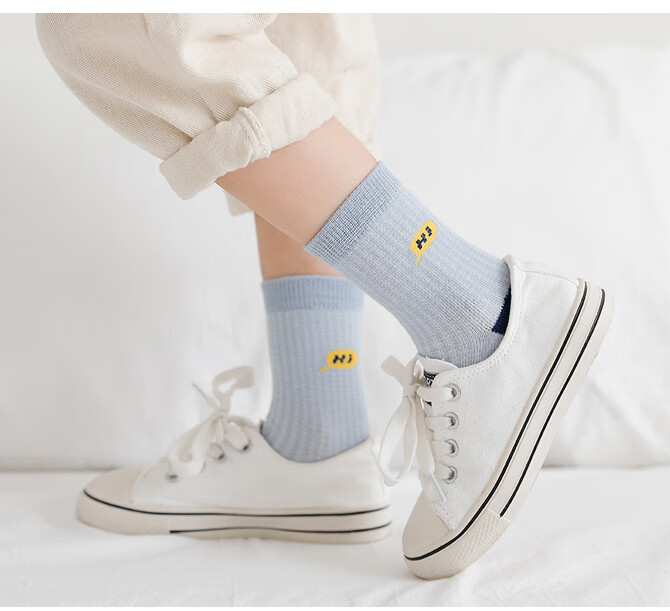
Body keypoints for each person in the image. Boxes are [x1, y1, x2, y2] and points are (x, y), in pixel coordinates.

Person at [36, 13, 613, 580]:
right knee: (302, 44)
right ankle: (317, 434)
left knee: (111, 24)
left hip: (491, 318)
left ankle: (482, 317)